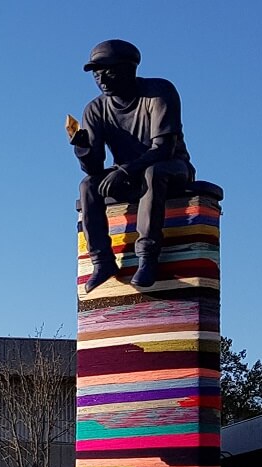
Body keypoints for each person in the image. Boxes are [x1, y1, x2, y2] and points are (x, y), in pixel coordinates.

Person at [70, 39, 194, 291]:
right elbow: (95, 169)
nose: (101, 79)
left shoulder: (159, 92)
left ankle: (147, 257)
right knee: (88, 186)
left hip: (171, 169)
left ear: (130, 69)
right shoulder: (95, 109)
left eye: (109, 71)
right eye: (96, 73)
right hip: (127, 176)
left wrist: (124, 170)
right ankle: (102, 261)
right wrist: (82, 149)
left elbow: (163, 149)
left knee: (153, 172)